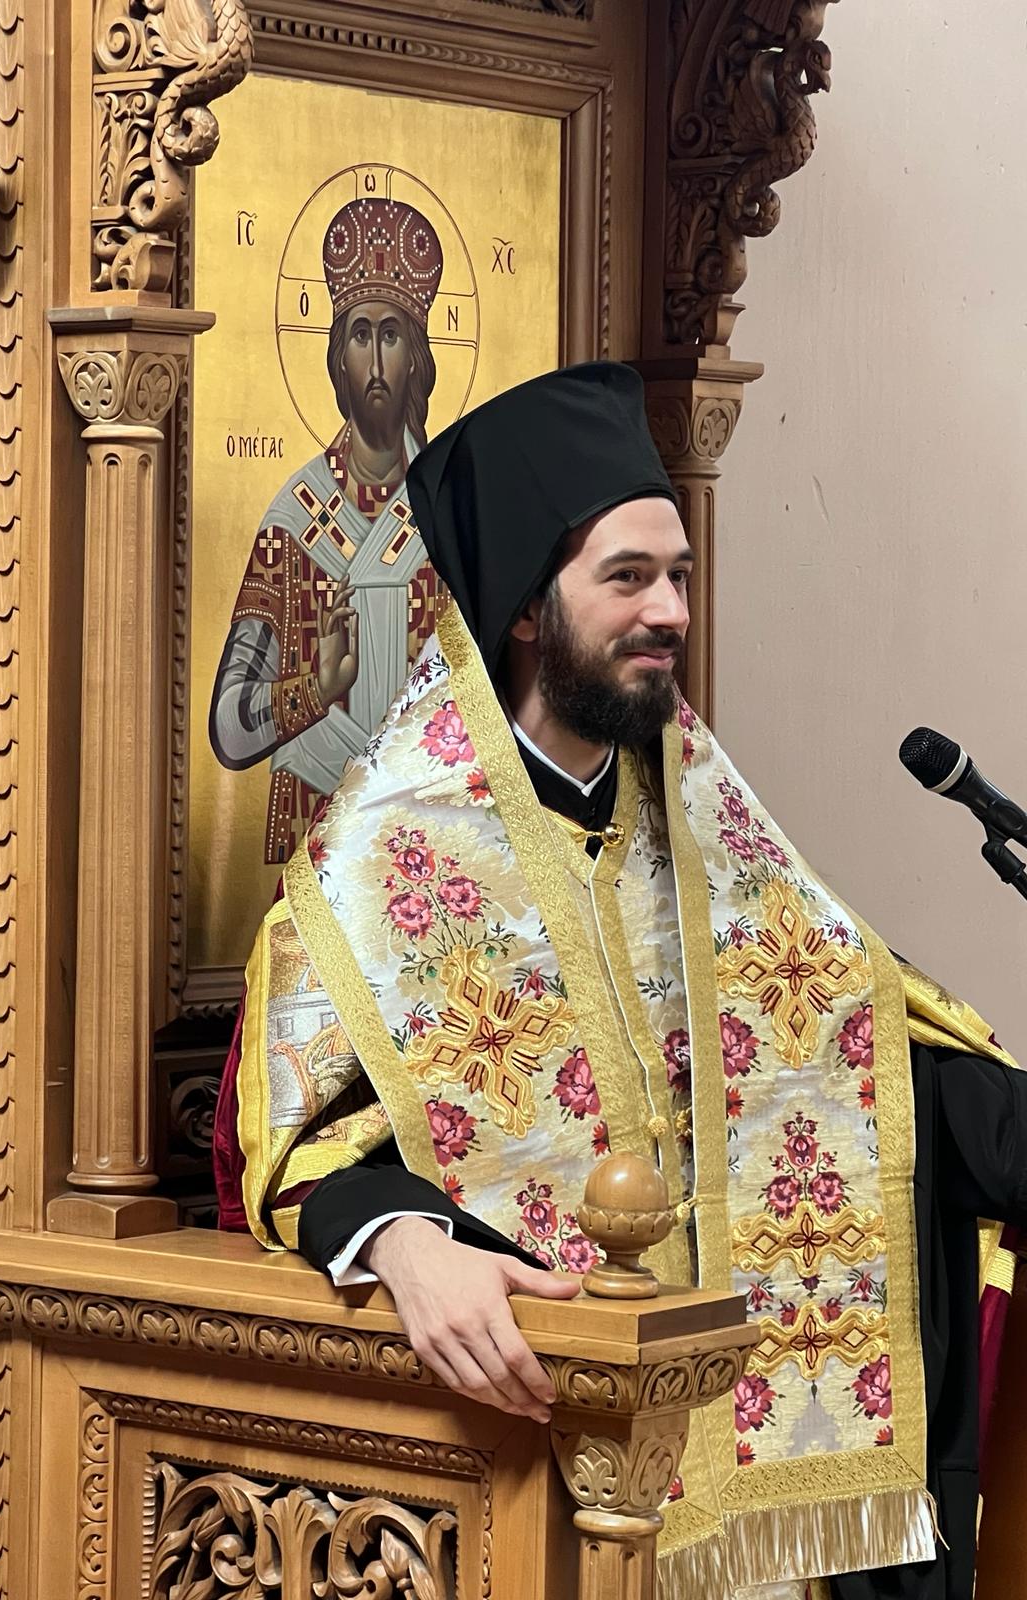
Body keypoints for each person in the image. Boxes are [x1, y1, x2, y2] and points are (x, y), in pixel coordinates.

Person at [216, 361, 1025, 1600]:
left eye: (682, 577)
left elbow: (868, 1060)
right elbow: (300, 1148)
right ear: (530, 609)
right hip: (530, 1487)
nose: (673, 614)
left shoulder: (712, 834)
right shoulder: (373, 873)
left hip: (754, 1506)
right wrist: (404, 1244)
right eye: (631, 577)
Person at [209, 196, 445, 864]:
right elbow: (230, 725)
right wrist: (317, 685)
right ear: (337, 356)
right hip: (320, 844)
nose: (375, 360)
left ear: (418, 359)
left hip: (433, 846)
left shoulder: (453, 519)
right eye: (359, 334)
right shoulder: (294, 523)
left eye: (392, 334)